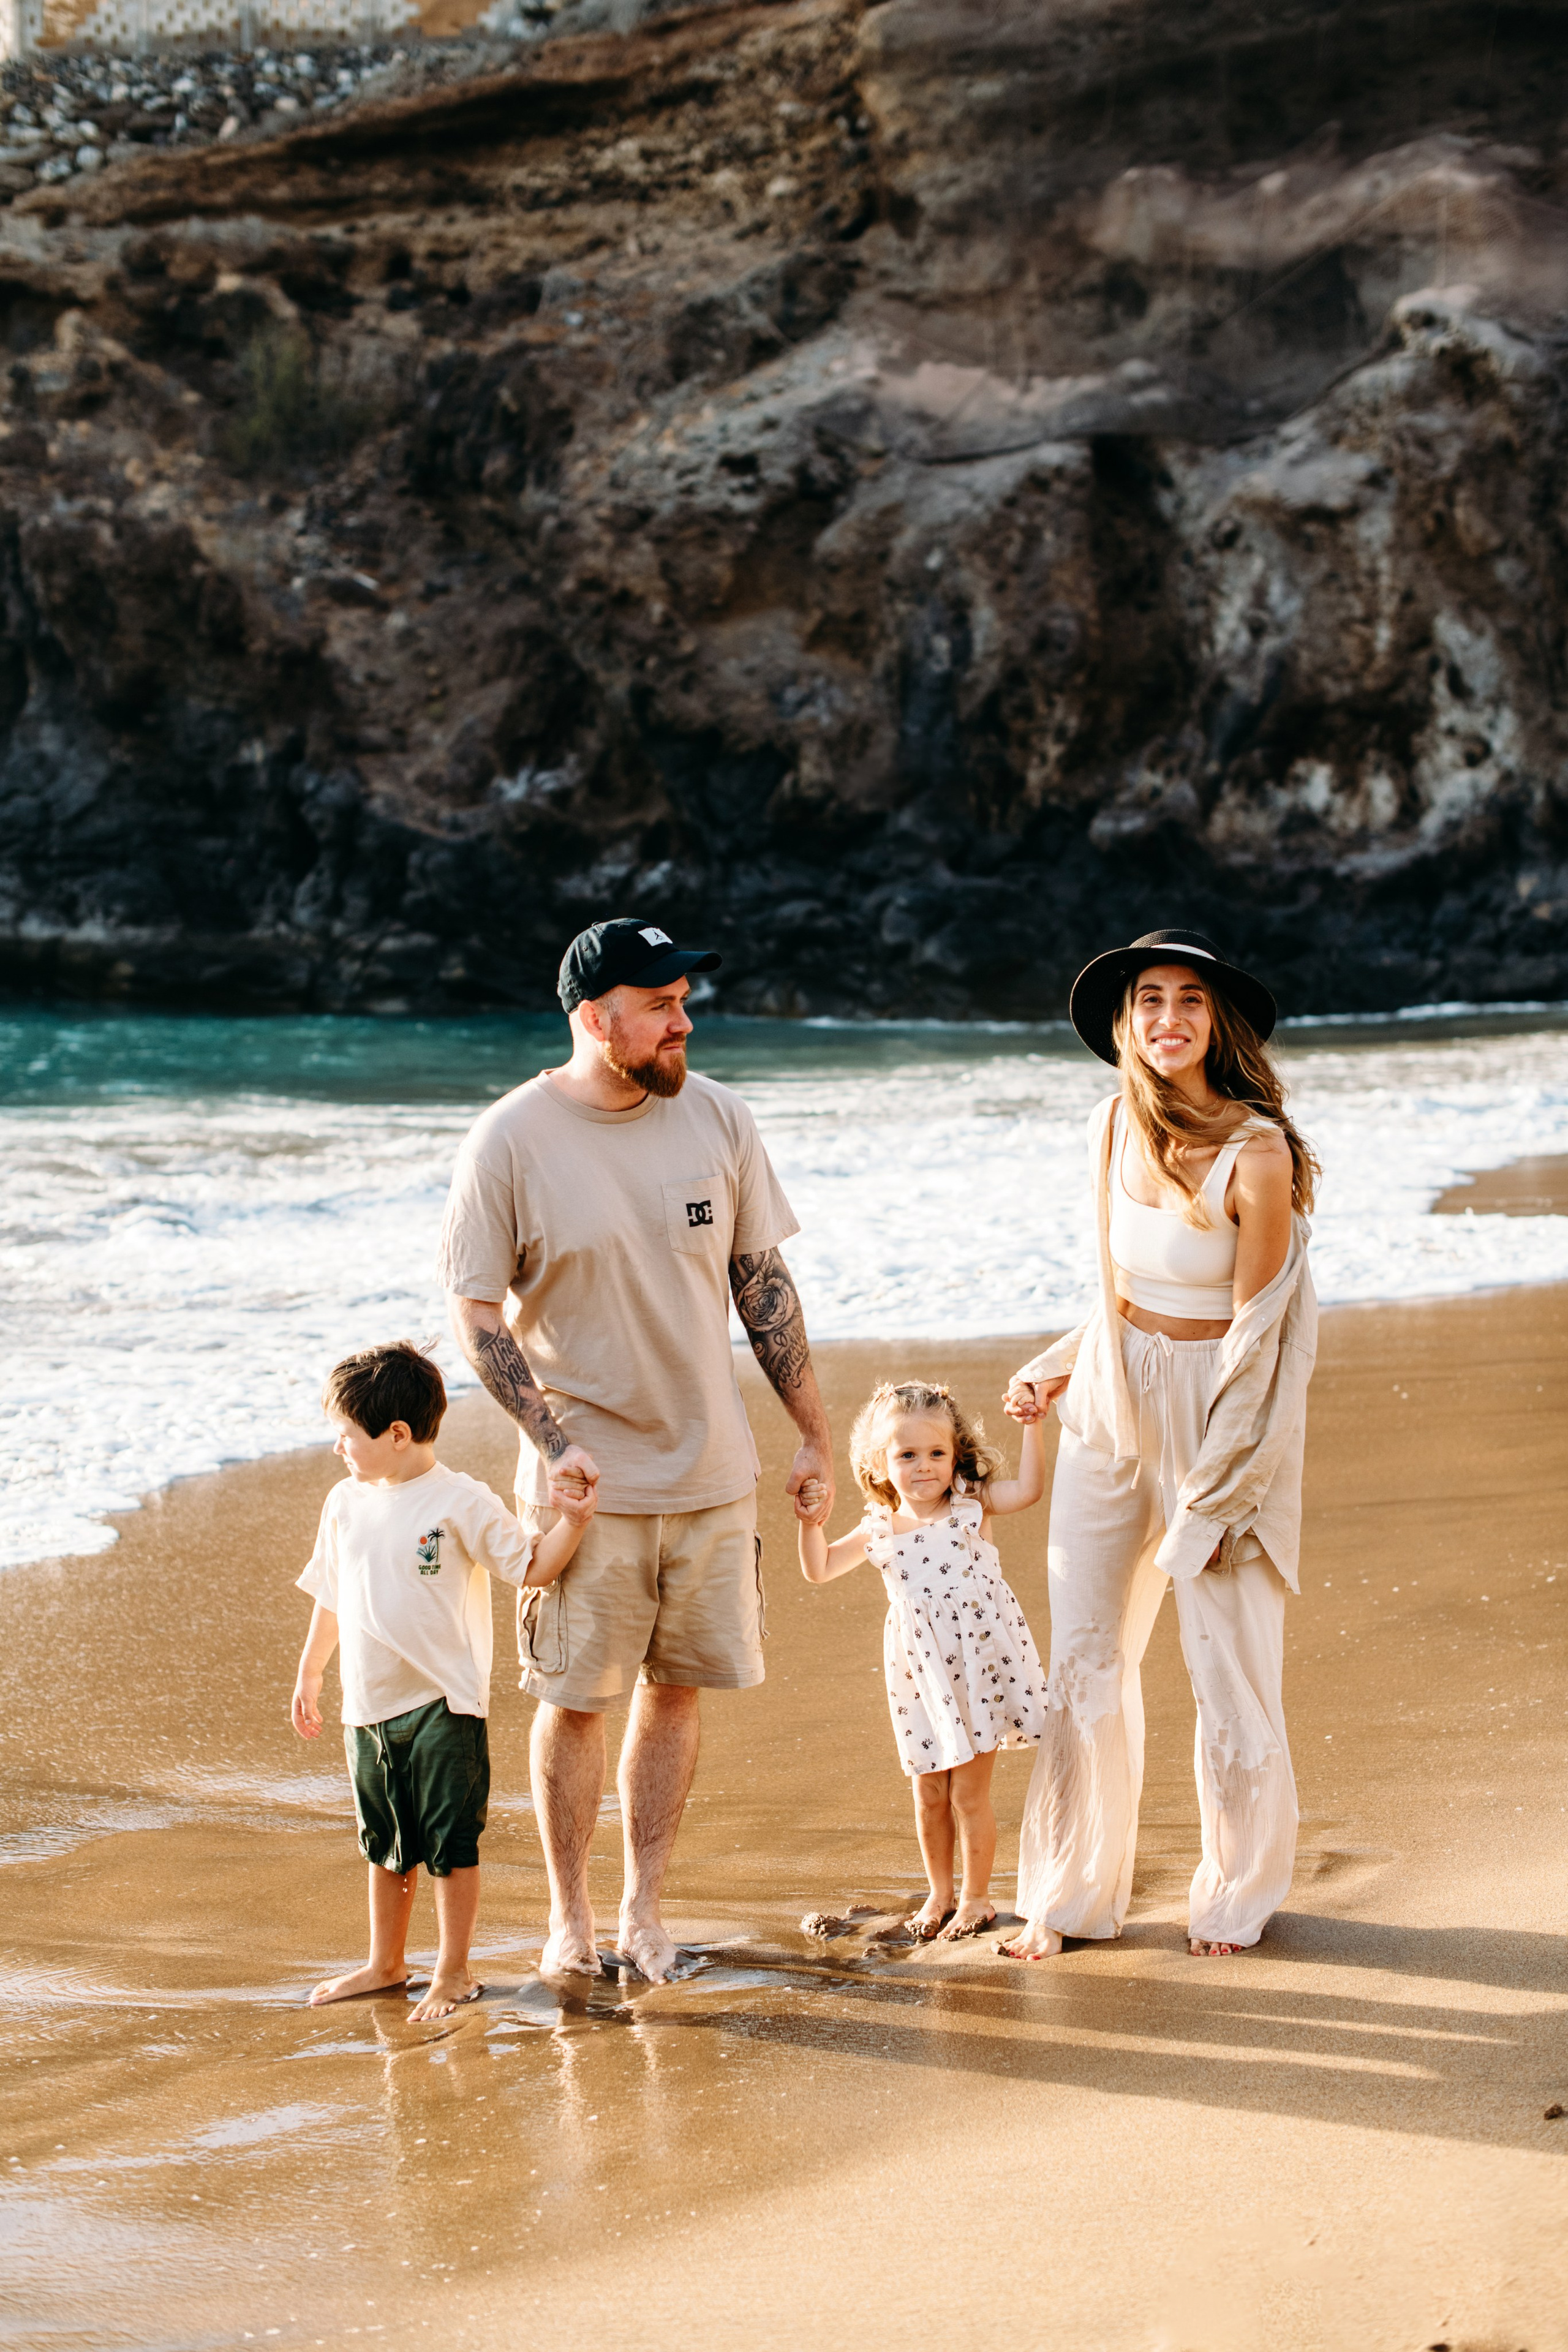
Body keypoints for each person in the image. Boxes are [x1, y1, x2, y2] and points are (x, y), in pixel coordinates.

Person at [437, 916, 833, 1986]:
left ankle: (644, 1912)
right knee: (575, 1700)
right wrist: (550, 1438)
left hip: (713, 1478)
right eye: (659, 1005)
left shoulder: (721, 1117)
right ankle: (569, 1922)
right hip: (587, 1492)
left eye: (682, 1001)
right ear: (594, 1017)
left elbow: (762, 1285)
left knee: (677, 1692)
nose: (681, 1022)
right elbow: (475, 1313)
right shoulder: (508, 1141)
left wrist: (811, 1435)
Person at [999, 927, 1319, 1962]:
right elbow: (1123, 1292)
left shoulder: (1258, 1153)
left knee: (1229, 1668)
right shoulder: (1108, 1126)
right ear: (1125, 1022)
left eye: (1189, 1000)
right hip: (1111, 1399)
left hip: (1221, 1416)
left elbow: (1256, 1340)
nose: (1168, 1019)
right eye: (1149, 1000)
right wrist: (1061, 1362)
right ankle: (1069, 1895)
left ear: (1217, 1023)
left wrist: (1216, 1497)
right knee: (1086, 1658)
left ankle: (1234, 1899)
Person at [291, 1341, 595, 2021]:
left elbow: (532, 1567)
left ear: (397, 1434)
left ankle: (453, 1971)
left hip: (443, 1704)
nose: (338, 1447)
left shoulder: (459, 1501)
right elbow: (331, 1594)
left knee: (449, 1845)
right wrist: (311, 1673)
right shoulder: (344, 1502)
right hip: (367, 1708)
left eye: (347, 1435)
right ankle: (386, 1963)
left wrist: (572, 1523)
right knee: (385, 1845)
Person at [797, 1380, 1047, 1941]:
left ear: (956, 1455)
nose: (924, 1466)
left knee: (968, 1795)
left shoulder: (971, 1505)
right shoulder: (879, 1528)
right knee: (929, 1793)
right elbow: (819, 1569)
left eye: (936, 1453)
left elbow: (1030, 1490)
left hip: (979, 1669)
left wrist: (1033, 1425)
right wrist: (810, 1523)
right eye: (907, 1455)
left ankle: (977, 1898)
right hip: (921, 1678)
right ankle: (940, 1893)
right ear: (879, 1465)